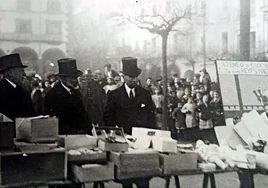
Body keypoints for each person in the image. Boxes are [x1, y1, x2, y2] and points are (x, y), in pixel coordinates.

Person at [103, 57, 155, 188]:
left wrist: (151, 138)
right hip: (124, 142)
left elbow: (151, 118)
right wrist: (116, 133)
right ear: (123, 77)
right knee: (126, 180)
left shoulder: (145, 94)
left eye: (135, 76)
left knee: (143, 181)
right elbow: (107, 117)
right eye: (130, 77)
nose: (134, 79)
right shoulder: (114, 95)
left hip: (143, 144)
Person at [44, 58, 91, 135]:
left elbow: (83, 115)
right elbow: (54, 123)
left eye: (76, 77)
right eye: (72, 78)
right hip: (65, 139)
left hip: (80, 137)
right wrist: (77, 132)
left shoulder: (75, 92)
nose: (76, 80)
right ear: (62, 78)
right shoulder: (52, 95)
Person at [0, 53, 36, 121]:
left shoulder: (23, 91)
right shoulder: (2, 91)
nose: (24, 74)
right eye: (21, 71)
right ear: (10, 73)